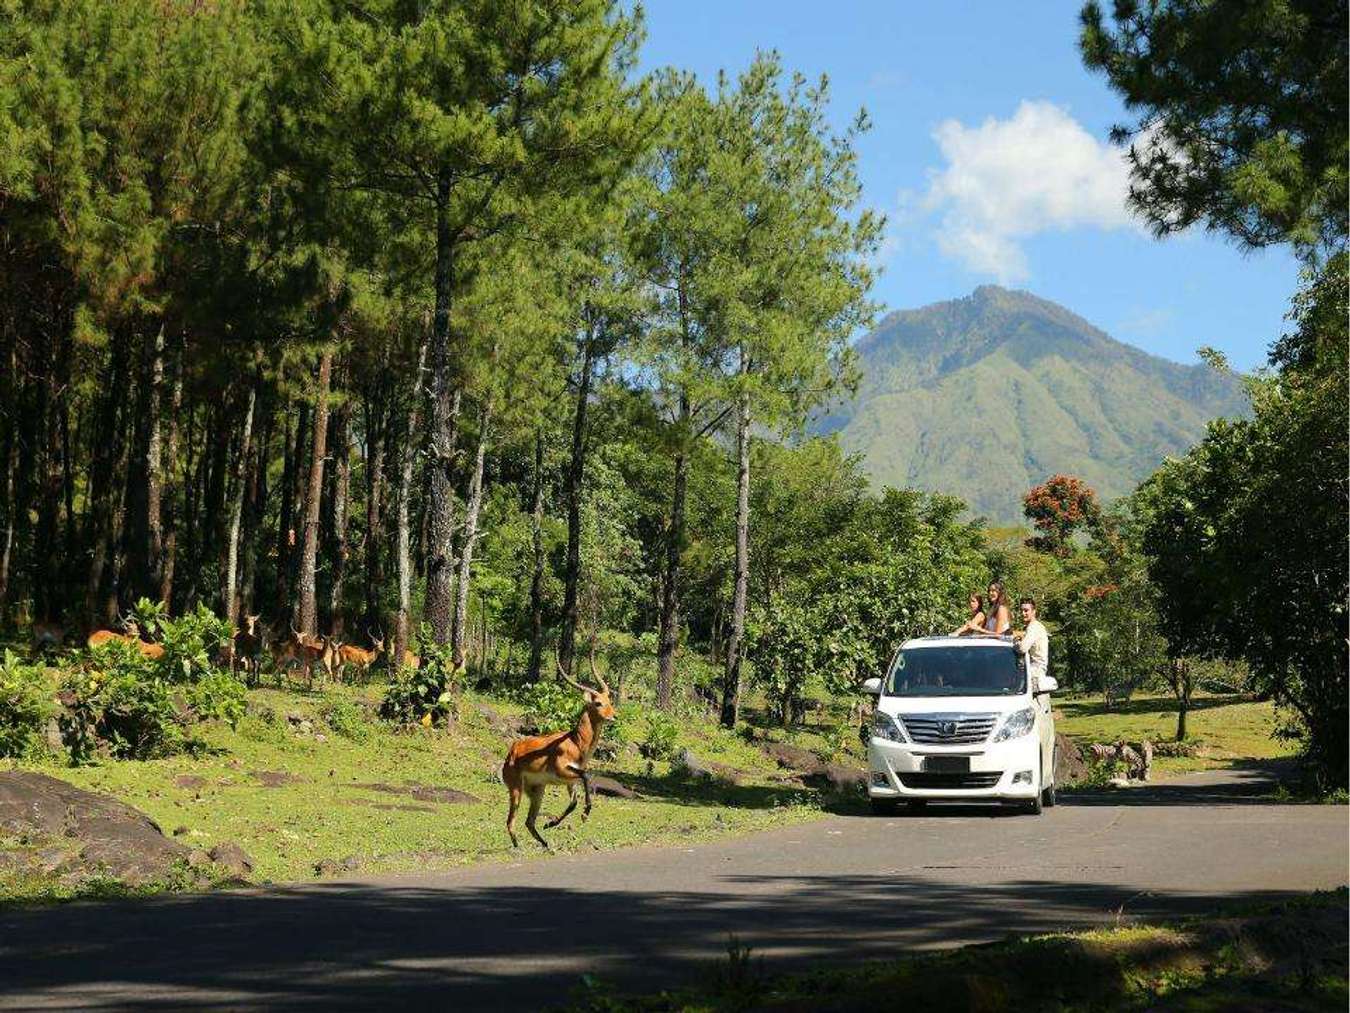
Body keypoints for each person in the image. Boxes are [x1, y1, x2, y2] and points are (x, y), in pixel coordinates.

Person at [1011, 596, 1049, 688]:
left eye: (1026, 610)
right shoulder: (1031, 627)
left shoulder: (1034, 627)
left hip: (1035, 671)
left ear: (1034, 611)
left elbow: (1022, 648)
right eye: (1021, 610)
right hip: (1031, 668)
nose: (1023, 613)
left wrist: (1014, 642)